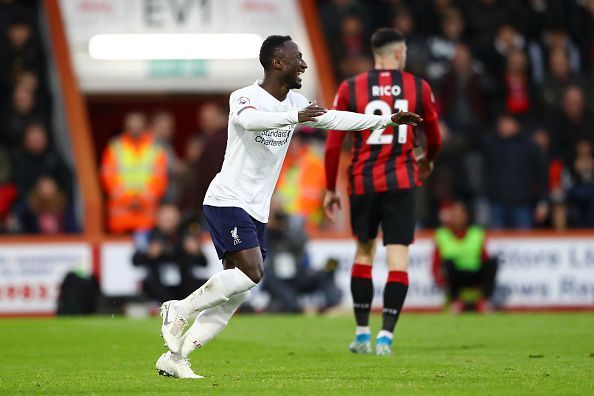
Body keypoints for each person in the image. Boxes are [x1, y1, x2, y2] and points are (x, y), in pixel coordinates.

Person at [155, 34, 422, 379]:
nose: (304, 64)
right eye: (298, 57)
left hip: (256, 209)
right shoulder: (245, 97)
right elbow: (250, 121)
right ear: (277, 62)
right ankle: (177, 309)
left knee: (237, 293)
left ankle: (177, 358)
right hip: (226, 200)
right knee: (253, 273)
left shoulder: (295, 101)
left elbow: (338, 118)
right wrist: (295, 116)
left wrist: (386, 121)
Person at [323, 28, 441, 356]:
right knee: (398, 260)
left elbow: (334, 143)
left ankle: (362, 334)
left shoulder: (350, 87)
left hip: (363, 182)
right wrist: (428, 160)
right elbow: (435, 136)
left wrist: (330, 188)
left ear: (375, 54)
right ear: (399, 54)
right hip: (402, 182)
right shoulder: (419, 87)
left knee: (364, 254)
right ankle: (386, 337)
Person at [100, 112, 168, 234]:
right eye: (132, 127)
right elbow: (108, 178)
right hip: (120, 218)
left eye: (138, 126)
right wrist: (129, 200)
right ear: (126, 127)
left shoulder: (156, 149)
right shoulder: (114, 148)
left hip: (146, 218)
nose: (135, 130)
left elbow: (159, 179)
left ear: (144, 127)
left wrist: (140, 200)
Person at [132, 204, 208, 303]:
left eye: (171, 219)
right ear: (158, 219)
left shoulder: (186, 235)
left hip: (184, 282)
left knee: (205, 284)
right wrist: (149, 253)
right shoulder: (149, 235)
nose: (169, 223)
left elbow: (204, 263)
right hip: (158, 282)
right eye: (166, 219)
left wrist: (196, 252)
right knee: (147, 283)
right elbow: (135, 261)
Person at [432, 200, 498, 314]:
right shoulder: (442, 235)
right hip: (456, 276)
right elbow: (435, 264)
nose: (459, 218)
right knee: (449, 264)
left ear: (466, 217)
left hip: (474, 273)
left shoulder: (476, 234)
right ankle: (455, 301)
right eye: (455, 215)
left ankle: (485, 301)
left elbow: (485, 257)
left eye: (461, 215)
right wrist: (441, 282)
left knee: (492, 262)